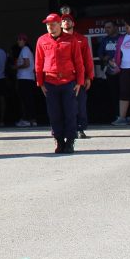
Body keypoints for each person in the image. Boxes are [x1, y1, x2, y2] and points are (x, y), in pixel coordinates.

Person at [36, 13, 85, 154]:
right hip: (50, 82)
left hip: (68, 81)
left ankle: (70, 141)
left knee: (70, 112)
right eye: (47, 25)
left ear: (59, 24)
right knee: (54, 113)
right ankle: (59, 141)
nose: (50, 27)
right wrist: (40, 83)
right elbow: (39, 63)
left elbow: (78, 62)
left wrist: (80, 82)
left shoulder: (71, 40)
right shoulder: (42, 40)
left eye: (52, 24)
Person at [61, 13, 93, 139]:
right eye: (63, 21)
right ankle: (65, 129)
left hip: (79, 77)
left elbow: (87, 59)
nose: (66, 23)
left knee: (80, 104)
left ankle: (80, 129)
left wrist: (89, 77)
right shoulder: (57, 39)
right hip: (63, 77)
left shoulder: (81, 39)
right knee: (63, 104)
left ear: (73, 23)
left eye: (68, 20)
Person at [112, 18, 130, 126]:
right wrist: (116, 65)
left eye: (128, 26)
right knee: (124, 93)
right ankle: (122, 117)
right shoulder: (122, 38)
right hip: (124, 69)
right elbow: (118, 52)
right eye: (125, 26)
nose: (126, 28)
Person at [98, 21, 121, 123]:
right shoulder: (104, 40)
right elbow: (100, 55)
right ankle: (118, 115)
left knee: (125, 93)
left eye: (109, 27)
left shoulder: (122, 38)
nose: (107, 29)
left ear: (116, 28)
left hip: (123, 70)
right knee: (114, 94)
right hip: (110, 72)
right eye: (105, 28)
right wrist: (105, 58)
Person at [13, 34, 38, 127]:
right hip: (29, 78)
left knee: (25, 99)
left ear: (24, 41)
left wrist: (16, 67)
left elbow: (26, 63)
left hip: (24, 78)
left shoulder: (25, 50)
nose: (18, 41)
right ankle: (32, 119)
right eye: (18, 39)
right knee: (29, 99)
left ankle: (26, 119)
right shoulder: (27, 50)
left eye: (20, 40)